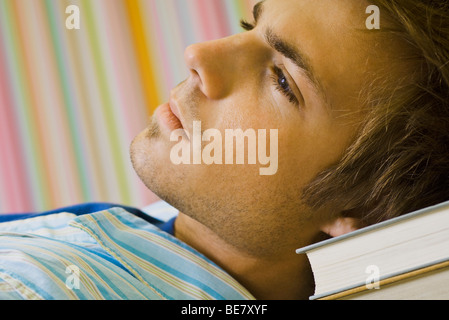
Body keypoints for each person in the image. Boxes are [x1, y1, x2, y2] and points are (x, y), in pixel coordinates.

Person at [1, 0, 448, 300]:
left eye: (281, 80)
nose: (200, 54)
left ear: (368, 208)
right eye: (251, 26)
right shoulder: (158, 226)